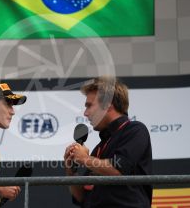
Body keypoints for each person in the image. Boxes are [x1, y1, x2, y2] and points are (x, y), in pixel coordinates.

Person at [64, 76, 152, 208]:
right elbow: (81, 197)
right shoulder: (98, 149)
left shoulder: (135, 130)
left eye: (89, 106)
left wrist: (84, 158)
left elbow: (118, 170)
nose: (85, 113)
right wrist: (71, 169)